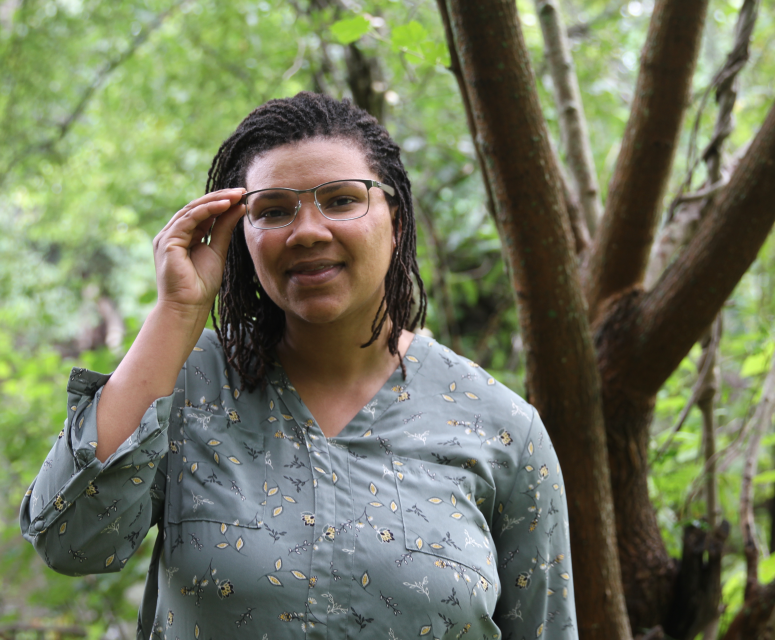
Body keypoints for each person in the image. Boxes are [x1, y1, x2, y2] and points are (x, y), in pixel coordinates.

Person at [20, 92, 577, 639]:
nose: (307, 230)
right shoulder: (186, 385)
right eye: (274, 210)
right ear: (243, 238)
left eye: (340, 200)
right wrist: (177, 311)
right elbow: (70, 540)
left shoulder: (501, 428)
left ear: (397, 223)